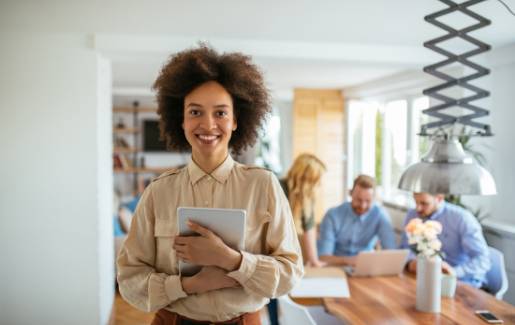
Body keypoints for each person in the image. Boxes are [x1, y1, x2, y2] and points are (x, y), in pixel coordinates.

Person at [116, 43, 304, 325]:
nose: (208, 124)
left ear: (236, 120)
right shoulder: (158, 192)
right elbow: (130, 280)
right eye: (195, 112)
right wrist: (190, 285)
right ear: (180, 120)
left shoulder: (264, 185)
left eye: (220, 112)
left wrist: (233, 260)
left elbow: (290, 274)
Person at [267, 153, 327, 325]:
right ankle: (273, 322)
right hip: (266, 245)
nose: (320, 183)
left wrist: (314, 260)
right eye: (317, 179)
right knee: (272, 283)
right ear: (306, 178)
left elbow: (308, 227)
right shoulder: (277, 187)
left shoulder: (307, 193)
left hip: (280, 246)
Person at [401, 193, 490, 288]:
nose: (418, 208)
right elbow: (405, 247)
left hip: (462, 282)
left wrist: (455, 271)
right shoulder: (413, 215)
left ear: (439, 198)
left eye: (424, 203)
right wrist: (411, 261)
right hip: (428, 278)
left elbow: (483, 260)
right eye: (416, 201)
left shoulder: (461, 218)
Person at [317, 175, 397, 266]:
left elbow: (391, 250)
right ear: (350, 193)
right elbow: (323, 257)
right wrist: (348, 261)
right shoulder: (332, 215)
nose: (363, 206)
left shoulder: (380, 214)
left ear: (374, 197)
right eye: (359, 200)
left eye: (368, 201)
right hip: (336, 267)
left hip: (365, 267)